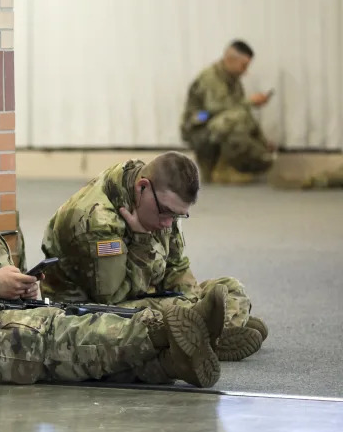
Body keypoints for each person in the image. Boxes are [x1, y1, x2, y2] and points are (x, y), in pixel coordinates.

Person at [0, 124, 226, 389]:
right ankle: (165, 330)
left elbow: (0, 265)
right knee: (55, 336)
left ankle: (169, 361)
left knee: (72, 326)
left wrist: (18, 286)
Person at [40, 151, 267, 362]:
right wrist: (141, 240)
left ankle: (213, 328)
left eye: (178, 215)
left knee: (228, 287)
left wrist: (196, 300)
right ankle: (218, 330)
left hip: (140, 293)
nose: (168, 222)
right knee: (184, 308)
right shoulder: (96, 222)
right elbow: (111, 297)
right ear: (142, 188)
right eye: (166, 212)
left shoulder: (153, 197)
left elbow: (176, 266)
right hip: (90, 313)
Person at [180, 39, 276, 184]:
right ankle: (222, 169)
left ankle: (221, 167)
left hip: (215, 126)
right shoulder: (210, 77)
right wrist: (251, 101)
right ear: (230, 59)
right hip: (199, 127)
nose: (245, 71)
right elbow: (217, 107)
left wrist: (263, 141)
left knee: (264, 157)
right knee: (236, 118)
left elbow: (241, 111)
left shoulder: (234, 81)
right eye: (243, 66)